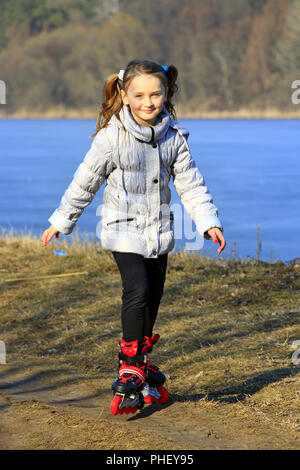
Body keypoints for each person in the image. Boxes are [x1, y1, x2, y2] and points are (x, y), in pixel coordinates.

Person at [41, 58, 226, 415]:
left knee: (153, 298)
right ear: (124, 96)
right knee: (137, 290)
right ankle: (129, 363)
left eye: (155, 94)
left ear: (166, 93)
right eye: (139, 95)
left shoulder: (174, 139)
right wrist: (63, 220)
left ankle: (142, 362)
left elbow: (191, 184)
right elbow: (85, 181)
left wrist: (208, 222)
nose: (148, 102)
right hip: (122, 229)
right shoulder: (112, 137)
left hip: (158, 232)